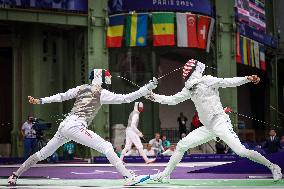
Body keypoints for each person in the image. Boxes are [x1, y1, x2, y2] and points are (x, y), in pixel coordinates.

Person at [8, 69, 157, 186]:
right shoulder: (101, 93)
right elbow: (127, 98)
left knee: (41, 154)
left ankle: (15, 175)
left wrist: (40, 101)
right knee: (106, 146)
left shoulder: (81, 88)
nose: (108, 81)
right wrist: (148, 87)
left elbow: (61, 96)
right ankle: (129, 177)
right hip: (75, 126)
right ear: (101, 78)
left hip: (64, 126)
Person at [147, 59, 282, 181]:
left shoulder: (207, 80)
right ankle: (165, 174)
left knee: (241, 151)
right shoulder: (189, 89)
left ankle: (273, 167)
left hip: (220, 122)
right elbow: (172, 100)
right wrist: (154, 96)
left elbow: (227, 82)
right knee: (182, 145)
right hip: (207, 127)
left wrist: (247, 78)